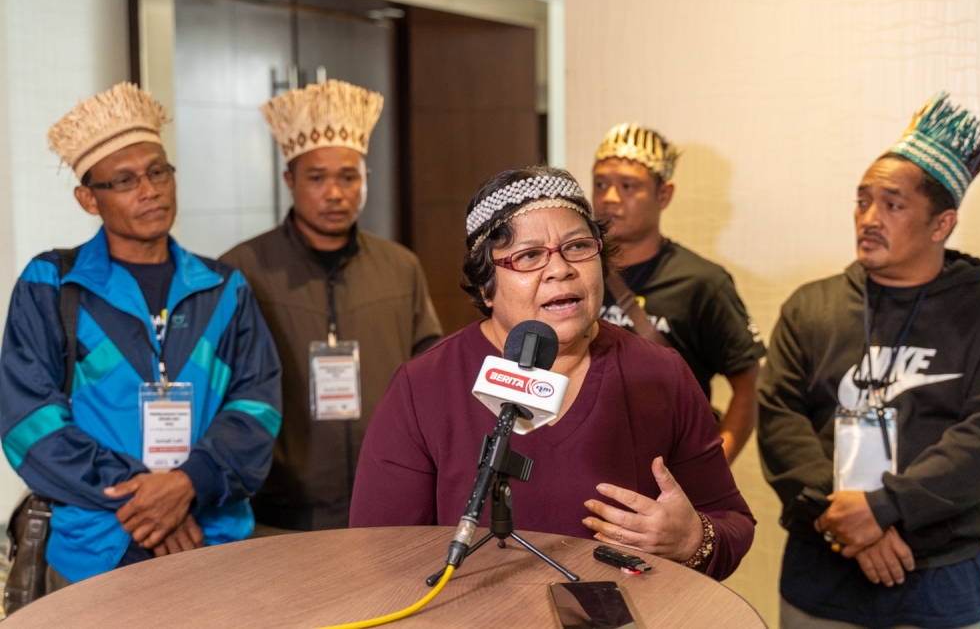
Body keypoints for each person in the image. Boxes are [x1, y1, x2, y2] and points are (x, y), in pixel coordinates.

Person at [350, 165, 755, 581]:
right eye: (528, 256)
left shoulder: (660, 374)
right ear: (487, 288)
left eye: (578, 247)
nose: (561, 269)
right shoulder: (424, 387)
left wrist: (691, 541)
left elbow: (732, 524)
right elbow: (379, 558)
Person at [0, 83, 282, 590]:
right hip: (94, 553)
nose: (149, 190)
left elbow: (258, 408)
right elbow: (28, 423)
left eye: (158, 171)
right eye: (125, 180)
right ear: (88, 199)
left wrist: (188, 484)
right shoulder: (50, 285)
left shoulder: (224, 289)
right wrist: (148, 500)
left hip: (212, 546)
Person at [757, 92, 980, 629]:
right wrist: (845, 518)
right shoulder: (811, 305)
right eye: (861, 200)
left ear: (942, 224)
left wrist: (884, 509)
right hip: (821, 569)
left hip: (937, 575)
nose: (868, 217)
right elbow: (779, 419)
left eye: (892, 204)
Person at [220, 79, 442, 533]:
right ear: (290, 181)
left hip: (386, 499)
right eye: (317, 178)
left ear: (365, 179)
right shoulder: (242, 268)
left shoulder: (400, 266)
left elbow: (431, 376)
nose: (335, 193)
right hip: (278, 509)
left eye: (348, 177)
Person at [592, 123, 765, 463]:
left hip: (668, 467)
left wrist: (713, 471)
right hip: (586, 462)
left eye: (629, 186)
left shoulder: (702, 282)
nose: (610, 198)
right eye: (600, 184)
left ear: (664, 195)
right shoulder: (574, 273)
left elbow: (749, 386)